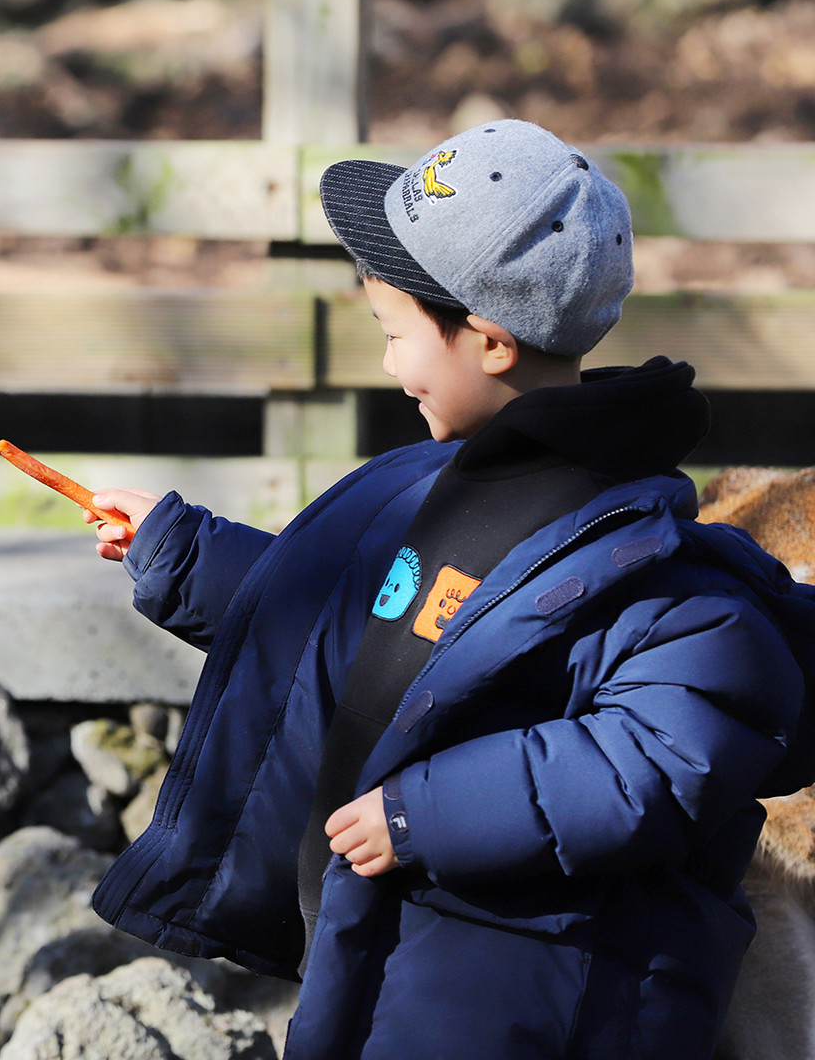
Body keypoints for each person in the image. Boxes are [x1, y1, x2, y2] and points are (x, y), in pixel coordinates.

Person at [81, 119, 815, 1058]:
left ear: (491, 342)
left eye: (394, 334)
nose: (388, 366)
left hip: (528, 1002)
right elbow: (365, 621)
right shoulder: (436, 493)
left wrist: (421, 814)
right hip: (379, 951)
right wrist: (182, 553)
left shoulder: (654, 569)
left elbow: (660, 757)